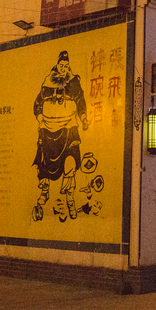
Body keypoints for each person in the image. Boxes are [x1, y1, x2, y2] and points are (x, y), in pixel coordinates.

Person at [33, 51, 88, 221]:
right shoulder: (48, 82)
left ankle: (70, 198)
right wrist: (41, 117)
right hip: (48, 128)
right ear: (57, 65)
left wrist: (84, 117)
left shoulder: (73, 82)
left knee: (70, 161)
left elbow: (80, 101)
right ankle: (44, 190)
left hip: (68, 127)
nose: (63, 68)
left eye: (66, 65)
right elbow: (37, 103)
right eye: (61, 65)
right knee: (44, 161)